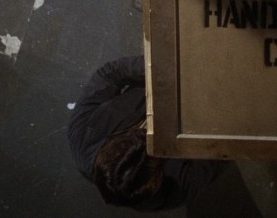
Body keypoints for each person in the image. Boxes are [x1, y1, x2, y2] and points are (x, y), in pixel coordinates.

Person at [68, 55, 224, 210]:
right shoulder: (178, 188)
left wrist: (159, 70)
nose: (149, 133)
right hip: (203, 108)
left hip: (162, 81)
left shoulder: (82, 134)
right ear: (157, 180)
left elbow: (110, 74)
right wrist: (211, 97)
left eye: (138, 134)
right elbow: (220, 148)